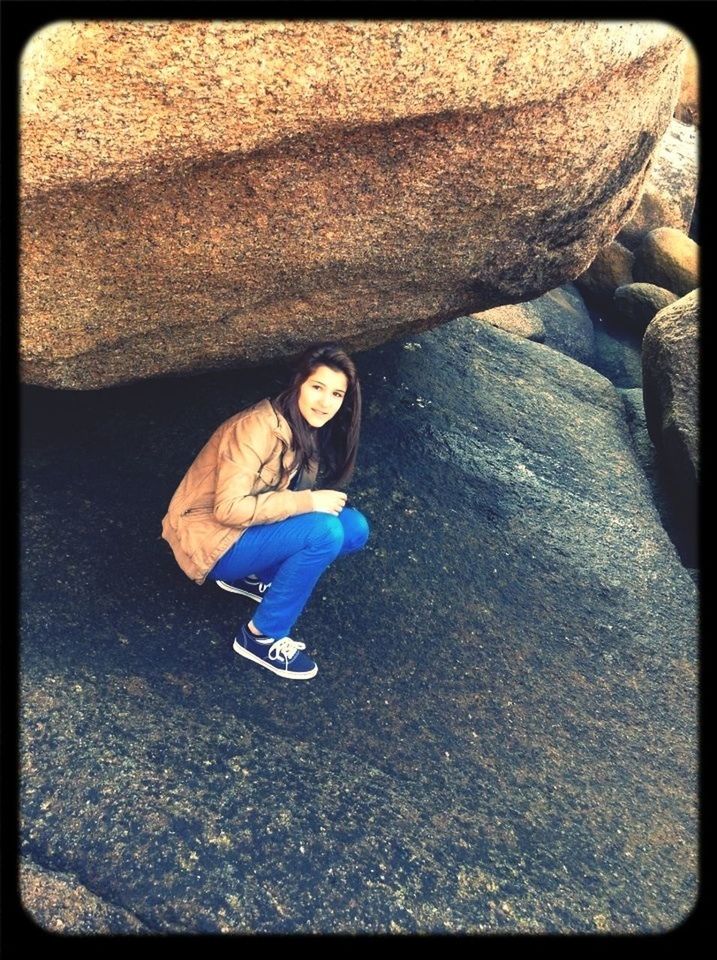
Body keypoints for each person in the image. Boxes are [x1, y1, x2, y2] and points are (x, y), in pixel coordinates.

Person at [161, 342, 370, 680]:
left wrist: (307, 503)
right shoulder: (256, 428)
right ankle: (261, 636)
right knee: (324, 532)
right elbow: (229, 508)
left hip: (242, 535)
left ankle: (253, 576)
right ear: (298, 383)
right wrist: (308, 502)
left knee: (353, 527)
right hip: (209, 541)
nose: (325, 402)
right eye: (317, 387)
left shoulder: (306, 429)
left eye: (336, 394)